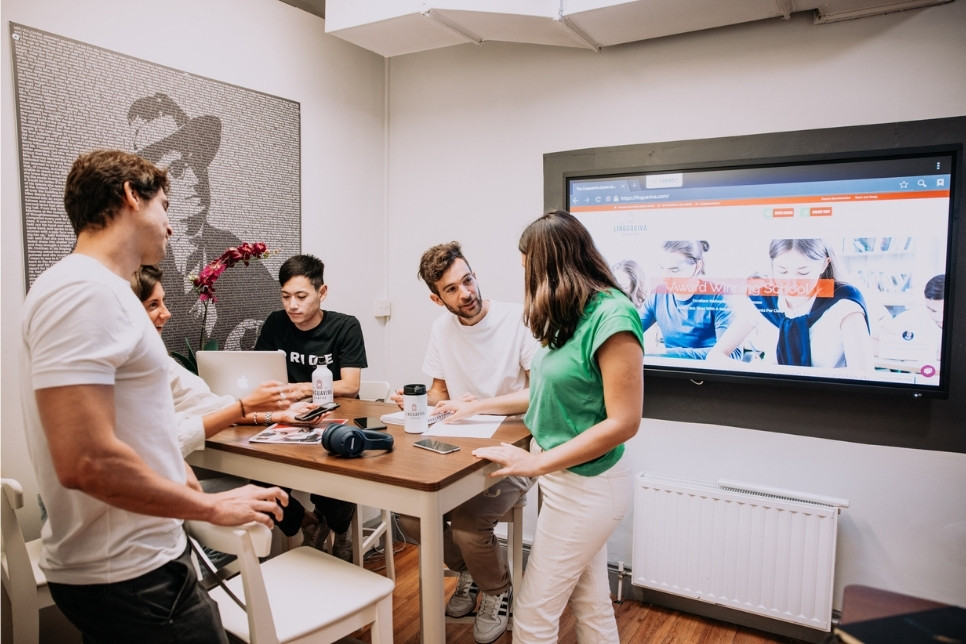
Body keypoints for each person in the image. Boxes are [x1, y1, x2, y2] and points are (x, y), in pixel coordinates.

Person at [19, 149, 288, 643]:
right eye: (164, 205)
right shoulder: (84, 292)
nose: (169, 224)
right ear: (130, 196)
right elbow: (86, 461)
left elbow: (141, 427)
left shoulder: (102, 291)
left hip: (137, 563)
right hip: (129, 574)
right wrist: (212, 509)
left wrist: (191, 489)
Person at [437, 210, 644, 643]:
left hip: (590, 485)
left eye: (528, 268)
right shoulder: (573, 315)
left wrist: (536, 462)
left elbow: (624, 422)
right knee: (591, 603)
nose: (527, 279)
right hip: (564, 480)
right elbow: (543, 393)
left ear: (553, 264)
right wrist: (478, 406)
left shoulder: (614, 316)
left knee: (533, 615)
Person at [389, 241, 539, 644]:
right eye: (452, 290)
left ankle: (496, 589)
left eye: (467, 280)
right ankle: (471, 571)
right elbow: (440, 394)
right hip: (459, 444)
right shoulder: (442, 329)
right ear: (436, 299)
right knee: (410, 517)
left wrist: (478, 407)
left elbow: (537, 393)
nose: (466, 293)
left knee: (469, 527)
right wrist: (415, 400)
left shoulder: (518, 319)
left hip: (514, 446)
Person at [128, 92, 278, 351]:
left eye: (197, 164)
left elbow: (275, 305)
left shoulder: (231, 248)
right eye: (177, 169)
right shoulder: (134, 258)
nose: (196, 178)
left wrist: (253, 327)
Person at [131, 264, 328, 457]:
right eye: (153, 305)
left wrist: (276, 414)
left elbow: (210, 407)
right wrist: (247, 406)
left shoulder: (157, 360)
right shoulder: (128, 371)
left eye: (301, 296)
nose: (167, 313)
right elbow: (169, 433)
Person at [254, 254, 368, 560]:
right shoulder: (276, 324)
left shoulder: (345, 326)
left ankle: (340, 530)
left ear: (322, 292)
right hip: (288, 421)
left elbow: (350, 385)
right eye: (285, 296)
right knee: (261, 485)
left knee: (331, 482)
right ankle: (309, 522)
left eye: (301, 296)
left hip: (337, 420)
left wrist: (302, 388)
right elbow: (260, 374)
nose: (292, 305)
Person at [750, 238, 874, 369]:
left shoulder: (844, 304)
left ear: (824, 265)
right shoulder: (763, 300)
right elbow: (731, 351)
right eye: (782, 271)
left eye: (803, 272)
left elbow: (863, 373)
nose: (792, 282)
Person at [640, 240, 745, 359]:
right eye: (662, 268)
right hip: (669, 369)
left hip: (707, 371)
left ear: (697, 266)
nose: (665, 277)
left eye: (674, 270)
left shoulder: (719, 296)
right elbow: (629, 331)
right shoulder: (657, 295)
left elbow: (732, 354)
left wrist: (666, 353)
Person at [878, 273, 945, 362]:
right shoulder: (912, 317)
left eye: (945, 311)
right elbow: (873, 343)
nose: (939, 317)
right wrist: (924, 352)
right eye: (932, 310)